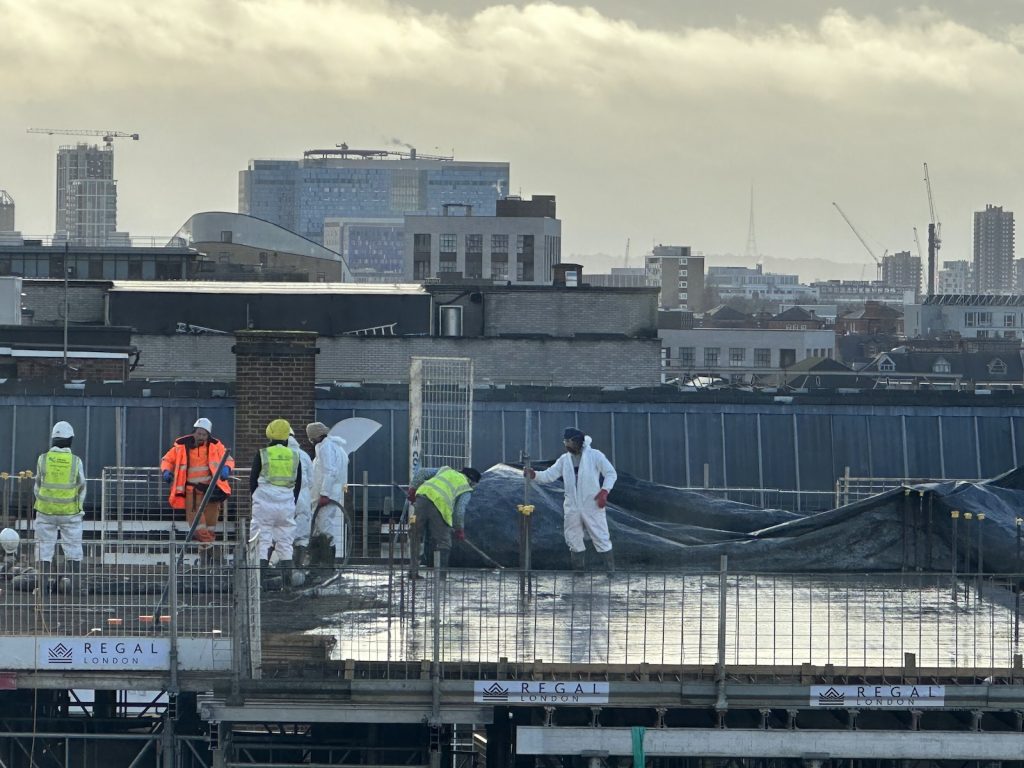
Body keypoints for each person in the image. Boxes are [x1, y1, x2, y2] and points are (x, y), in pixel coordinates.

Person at [524, 427, 617, 571]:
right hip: (572, 505)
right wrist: (534, 475)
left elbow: (611, 473)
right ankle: (579, 572)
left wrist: (605, 491)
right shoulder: (564, 460)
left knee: (601, 535)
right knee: (573, 538)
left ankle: (610, 571)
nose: (567, 445)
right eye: (565, 442)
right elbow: (549, 475)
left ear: (578, 441)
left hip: (591, 504)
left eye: (569, 441)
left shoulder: (595, 456)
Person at [160, 418, 234, 551]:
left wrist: (227, 468)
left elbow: (228, 459)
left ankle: (206, 550)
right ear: (194, 432)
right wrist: (166, 471)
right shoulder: (181, 447)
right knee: (197, 524)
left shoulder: (216, 447)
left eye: (204, 434)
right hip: (192, 491)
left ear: (208, 435)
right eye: (199, 433)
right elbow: (167, 460)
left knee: (211, 523)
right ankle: (209, 548)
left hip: (211, 490)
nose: (201, 436)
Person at [33, 421, 87, 592]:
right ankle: (76, 590)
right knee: (74, 548)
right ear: (70, 440)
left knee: (43, 547)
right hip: (69, 513)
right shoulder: (75, 461)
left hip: (45, 512)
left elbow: (37, 486)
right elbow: (82, 487)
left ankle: (42, 590)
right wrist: (78, 508)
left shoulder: (42, 459)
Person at [250, 419, 302, 588]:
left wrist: (257, 497)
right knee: (285, 543)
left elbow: (253, 480)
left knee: (262, 542)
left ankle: (257, 586)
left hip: (264, 502)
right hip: (286, 502)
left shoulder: (263, 453)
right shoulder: (295, 456)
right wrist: (289, 499)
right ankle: (287, 587)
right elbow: (298, 482)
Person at [407, 466, 481, 577]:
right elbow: (459, 511)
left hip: (422, 496)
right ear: (472, 482)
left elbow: (422, 472)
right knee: (443, 542)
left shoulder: (445, 470)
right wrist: (459, 529)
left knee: (415, 535)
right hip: (440, 507)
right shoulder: (466, 488)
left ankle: (413, 572)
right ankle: (441, 577)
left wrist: (413, 489)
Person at [306, 422, 349, 566]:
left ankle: (325, 564)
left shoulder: (325, 447)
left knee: (324, 526)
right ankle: (319, 563)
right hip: (330, 492)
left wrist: (324, 493)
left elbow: (329, 471)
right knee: (321, 525)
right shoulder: (334, 446)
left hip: (326, 494)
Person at [287, 427, 315, 569]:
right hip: (303, 495)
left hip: (285, 495)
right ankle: (298, 567)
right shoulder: (303, 455)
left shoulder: (280, 454)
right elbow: (311, 480)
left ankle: (285, 568)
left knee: (283, 532)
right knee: (302, 535)